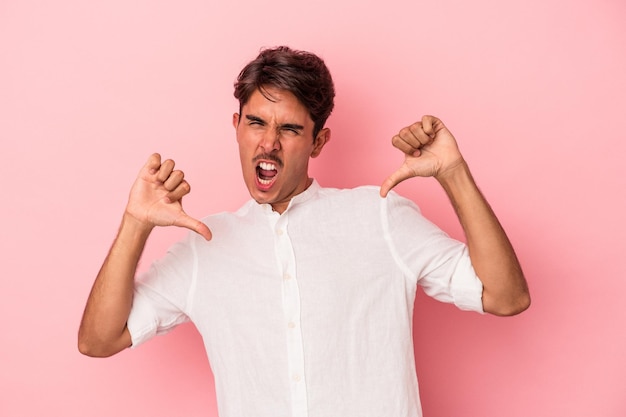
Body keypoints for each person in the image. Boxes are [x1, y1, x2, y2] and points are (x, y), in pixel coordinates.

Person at [78, 46, 530, 417]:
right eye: (256, 122)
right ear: (236, 128)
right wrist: (136, 224)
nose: (269, 142)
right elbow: (98, 341)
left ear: (318, 142)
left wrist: (452, 172)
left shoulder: (380, 217)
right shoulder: (204, 246)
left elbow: (507, 296)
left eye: (290, 129)